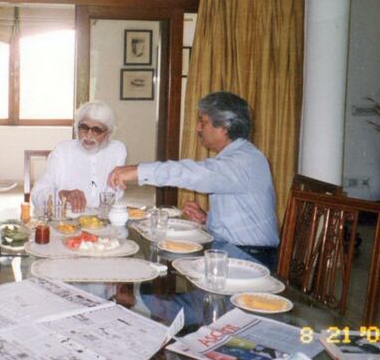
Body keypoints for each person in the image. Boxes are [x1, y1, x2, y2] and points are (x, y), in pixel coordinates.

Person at [107, 91, 279, 269]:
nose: (197, 128)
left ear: (225, 128)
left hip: (250, 259)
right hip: (232, 251)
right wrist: (209, 220)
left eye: (203, 122)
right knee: (158, 268)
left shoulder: (244, 161)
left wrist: (138, 171)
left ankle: (139, 297)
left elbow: (195, 174)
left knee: (155, 275)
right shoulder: (240, 157)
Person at [31, 100, 127, 214]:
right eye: (84, 127)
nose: (88, 135)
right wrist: (62, 195)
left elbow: (114, 195)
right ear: (77, 127)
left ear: (109, 134)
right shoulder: (63, 150)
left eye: (97, 130)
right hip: (66, 222)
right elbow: (37, 195)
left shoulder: (117, 150)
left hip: (102, 221)